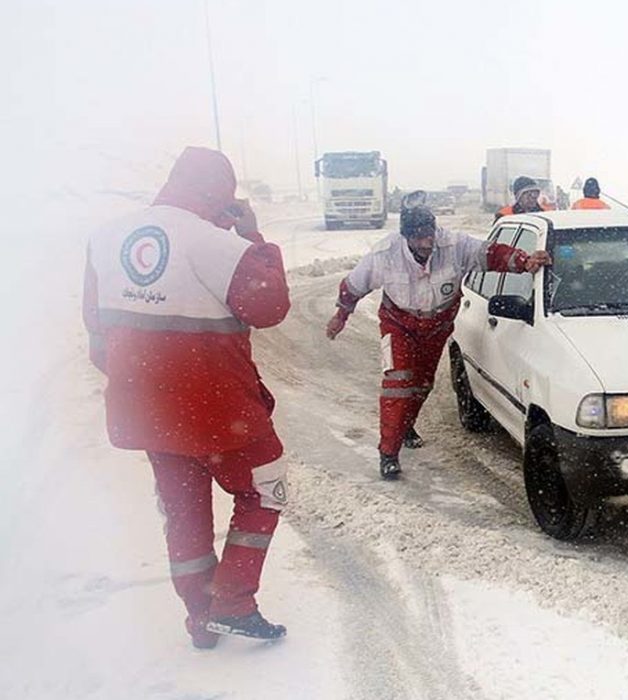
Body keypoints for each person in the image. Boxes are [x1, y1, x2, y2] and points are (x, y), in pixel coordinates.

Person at [82, 147, 292, 649]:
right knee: (266, 487)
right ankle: (233, 603)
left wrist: (148, 383)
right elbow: (270, 306)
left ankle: (200, 617)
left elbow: (97, 336)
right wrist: (253, 236)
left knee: (183, 510)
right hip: (221, 410)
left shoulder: (104, 238)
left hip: (147, 410)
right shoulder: (217, 244)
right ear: (222, 193)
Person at [325, 198, 551, 478]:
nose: (426, 243)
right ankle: (389, 452)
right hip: (399, 324)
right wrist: (340, 316)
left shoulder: (454, 246)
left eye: (429, 235)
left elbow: (490, 254)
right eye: (418, 237)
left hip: (436, 326)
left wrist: (523, 261)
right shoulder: (385, 254)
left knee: (421, 384)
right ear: (405, 236)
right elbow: (353, 286)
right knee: (398, 382)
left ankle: (406, 425)